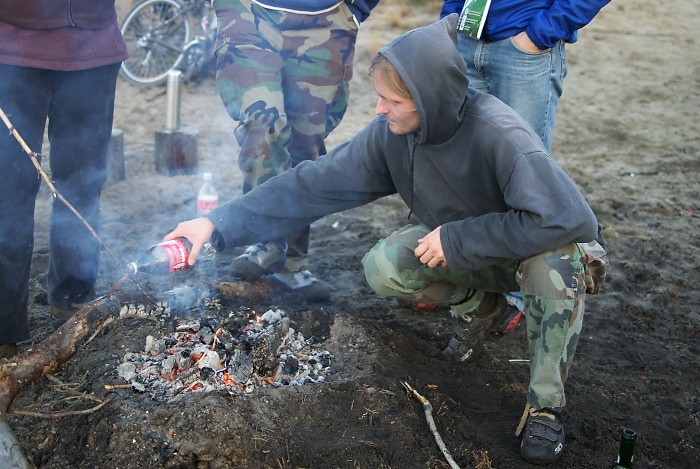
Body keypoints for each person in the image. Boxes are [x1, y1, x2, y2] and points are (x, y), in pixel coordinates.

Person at [164, 15, 606, 464]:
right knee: (387, 265)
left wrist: (459, 238)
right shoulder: (393, 136)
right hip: (471, 249)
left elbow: (571, 219)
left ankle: (545, 407)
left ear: (429, 101)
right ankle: (483, 309)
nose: (379, 109)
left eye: (390, 100)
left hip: (534, 249)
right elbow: (310, 185)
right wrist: (217, 225)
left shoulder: (502, 136)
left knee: (553, 268)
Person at [212, 0, 380, 302]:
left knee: (306, 144)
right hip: (250, 12)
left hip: (327, 19)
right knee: (265, 124)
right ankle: (265, 241)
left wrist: (356, 9)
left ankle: (291, 263)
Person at [0, 1, 128, 359]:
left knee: (84, 184)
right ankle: (2, 328)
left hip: (94, 49)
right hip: (10, 48)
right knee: (6, 193)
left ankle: (73, 299)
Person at [440, 0, 611, 152]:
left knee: (522, 162)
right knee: (465, 157)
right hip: (466, 39)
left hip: (524, 51)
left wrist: (541, 33)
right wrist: (450, 20)